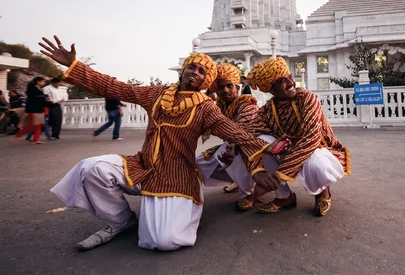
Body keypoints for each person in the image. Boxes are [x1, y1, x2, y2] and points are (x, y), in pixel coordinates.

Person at [40, 35, 282, 251]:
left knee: (162, 241)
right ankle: (121, 220)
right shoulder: (156, 94)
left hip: (177, 176)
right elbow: (115, 87)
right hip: (144, 167)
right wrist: (74, 66)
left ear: (205, 80)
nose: (195, 72)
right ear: (183, 70)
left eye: (201, 71)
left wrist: (263, 152)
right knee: (90, 169)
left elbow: (233, 131)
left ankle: (167, 211)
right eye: (192, 67)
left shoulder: (205, 106)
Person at [245, 57, 351, 216]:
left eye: (290, 76)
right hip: (289, 151)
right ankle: (284, 197)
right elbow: (249, 135)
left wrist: (279, 175)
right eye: (282, 80)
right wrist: (257, 172)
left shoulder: (307, 98)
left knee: (314, 163)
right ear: (272, 90)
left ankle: (323, 192)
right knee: (262, 143)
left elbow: (311, 139)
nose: (291, 82)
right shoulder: (267, 110)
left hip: (318, 149)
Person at [196, 63, 291, 211]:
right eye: (221, 87)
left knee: (232, 152)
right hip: (237, 146)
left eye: (229, 86)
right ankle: (241, 183)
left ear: (237, 88)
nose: (225, 90)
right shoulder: (221, 106)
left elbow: (241, 134)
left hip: (258, 146)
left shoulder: (247, 105)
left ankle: (263, 194)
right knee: (199, 163)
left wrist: (232, 146)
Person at [14, 77, 49, 144]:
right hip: (34, 110)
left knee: (38, 125)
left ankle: (35, 140)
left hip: (39, 109)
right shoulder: (34, 90)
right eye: (43, 81)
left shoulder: (39, 90)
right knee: (32, 125)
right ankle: (18, 136)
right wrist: (45, 100)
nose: (44, 83)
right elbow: (35, 101)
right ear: (38, 82)